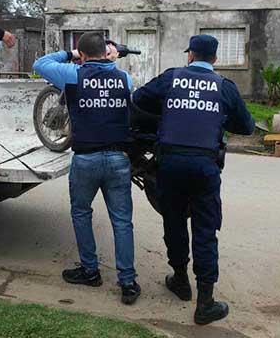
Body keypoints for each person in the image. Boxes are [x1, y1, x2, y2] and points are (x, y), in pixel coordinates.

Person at [132, 35, 254, 324]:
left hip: (169, 164)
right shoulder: (225, 87)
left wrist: (169, 112)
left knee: (173, 222)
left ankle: (180, 280)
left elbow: (138, 100)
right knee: (205, 230)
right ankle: (206, 302)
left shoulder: (171, 79)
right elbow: (246, 126)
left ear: (190, 56)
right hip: (205, 167)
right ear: (215, 59)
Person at [33, 33, 140, 305]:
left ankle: (90, 271)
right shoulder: (124, 79)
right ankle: (127, 282)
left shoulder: (73, 75)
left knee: (81, 213)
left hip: (86, 159)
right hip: (118, 159)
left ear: (82, 54)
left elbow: (41, 64)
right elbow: (112, 78)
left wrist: (70, 55)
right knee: (122, 221)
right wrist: (111, 60)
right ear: (106, 53)